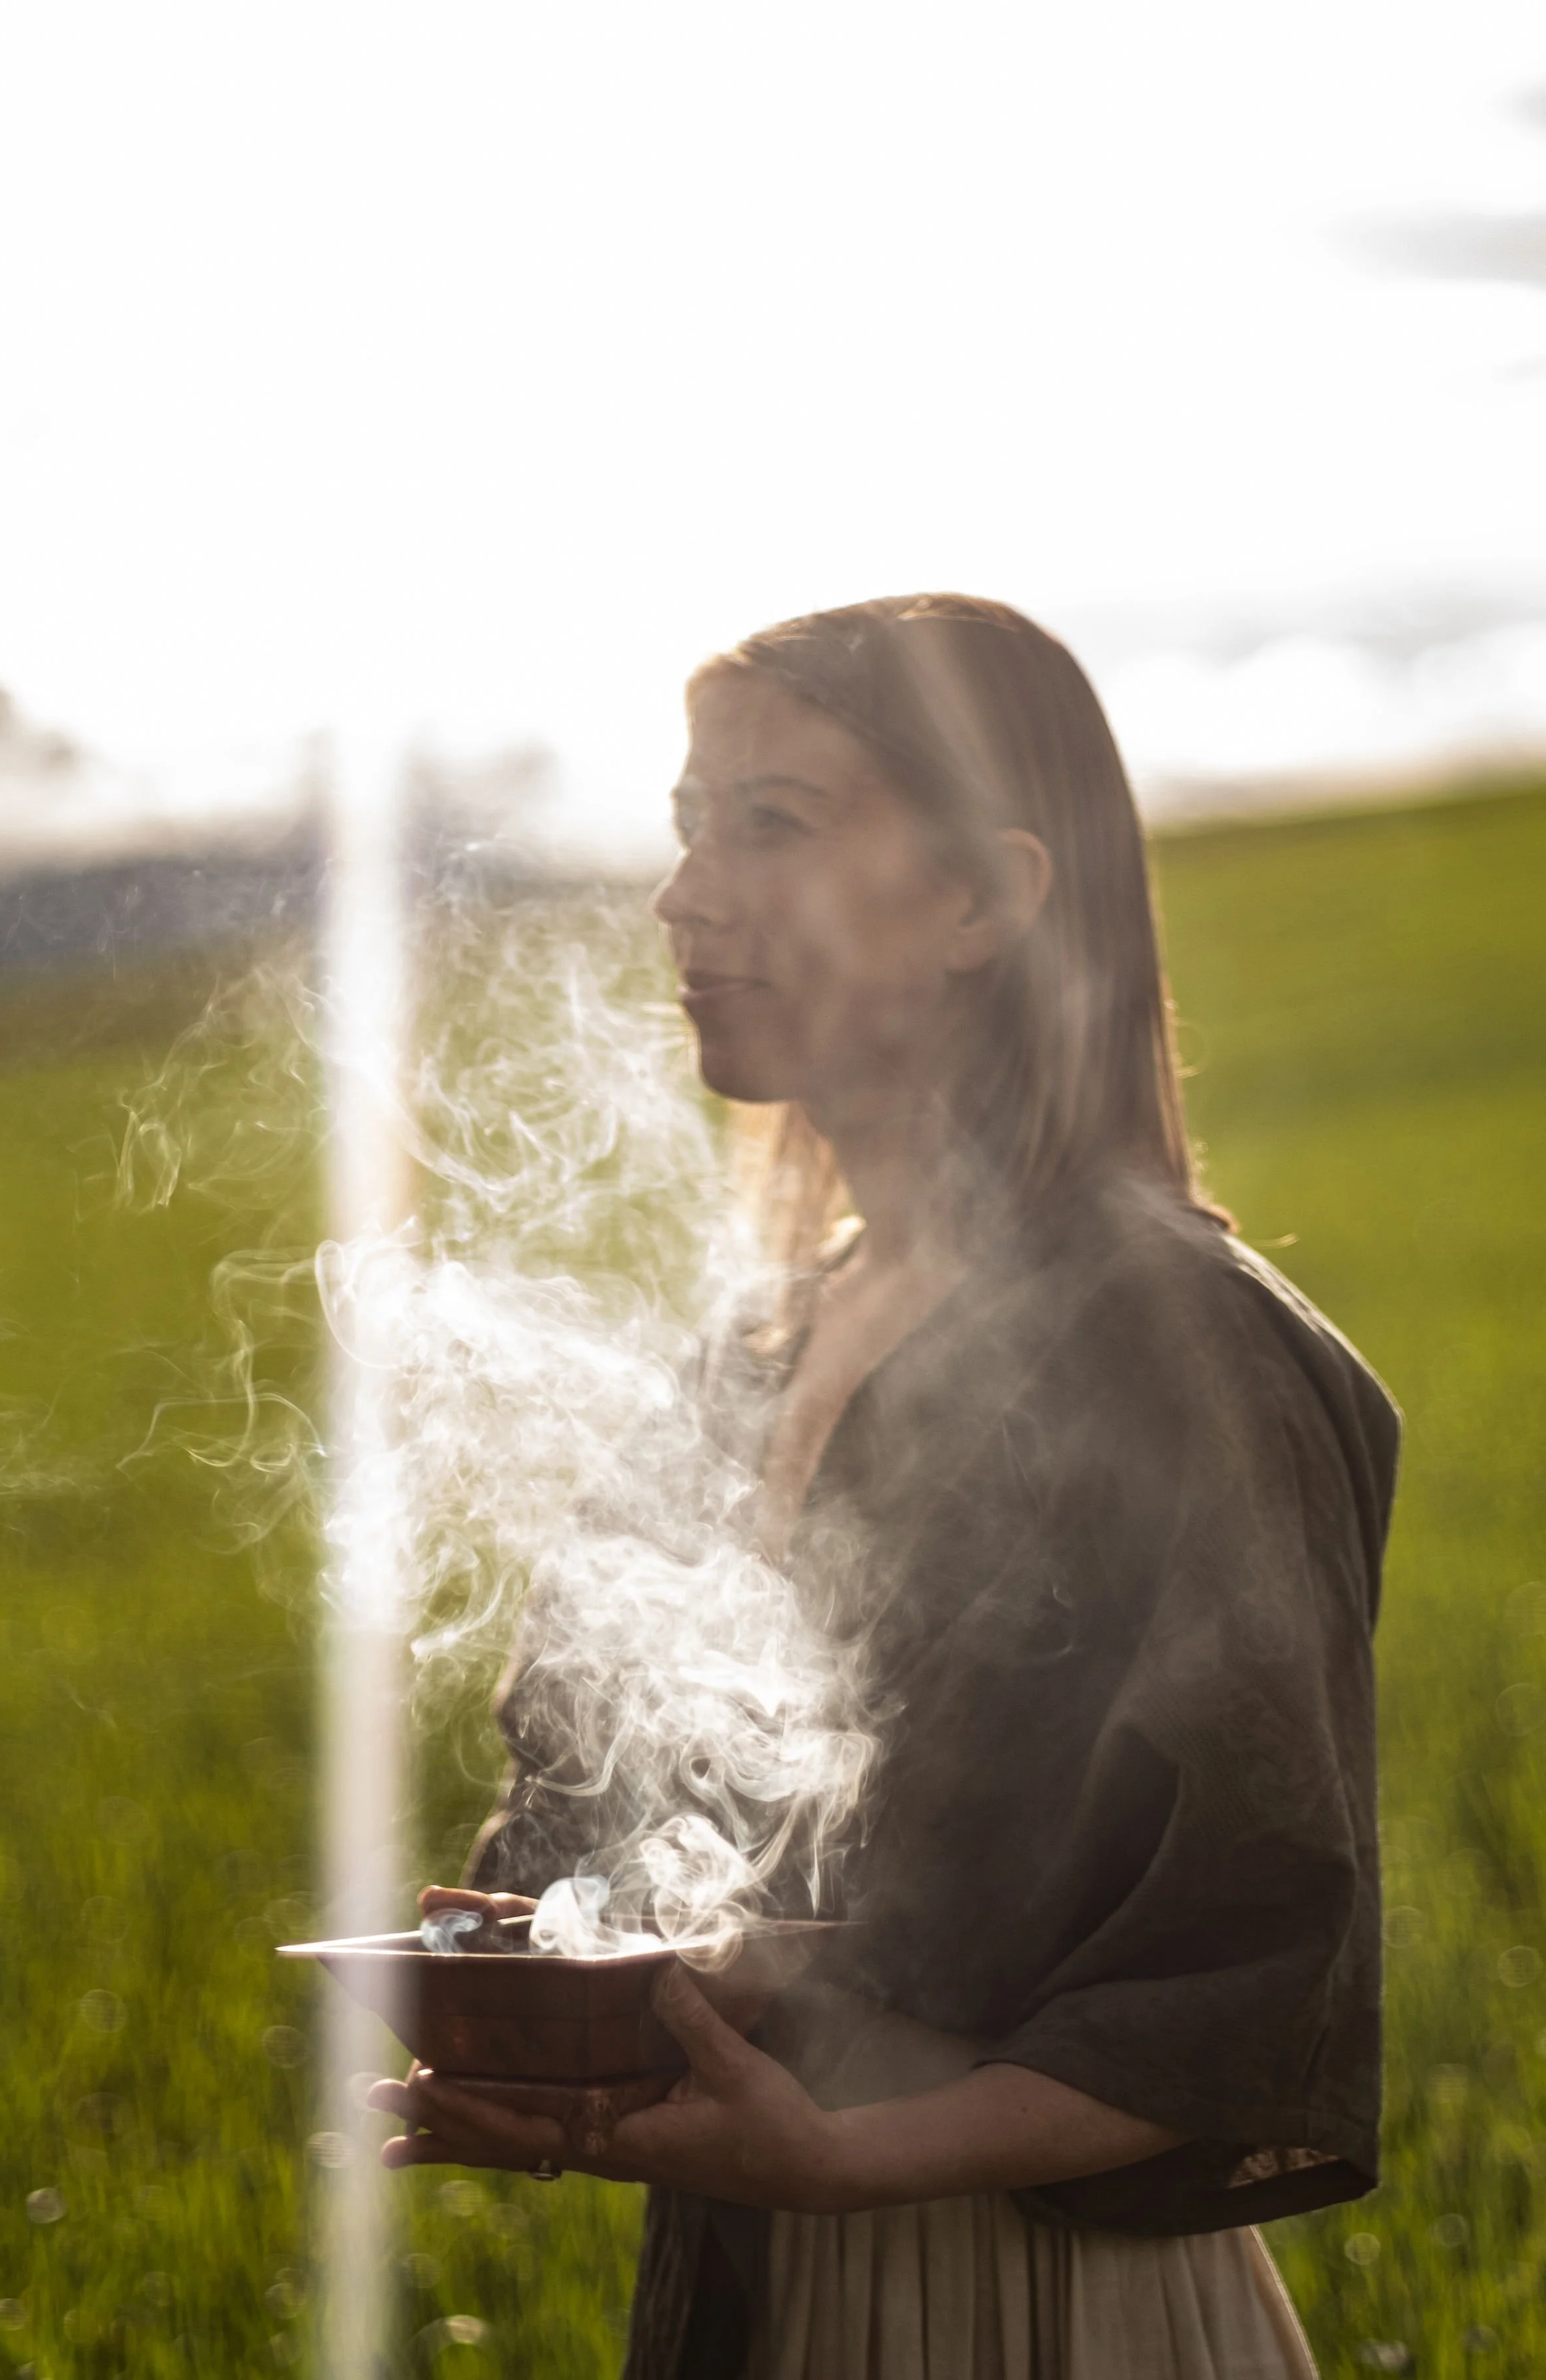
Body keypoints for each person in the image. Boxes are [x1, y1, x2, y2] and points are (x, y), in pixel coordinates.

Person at [371, 595, 1400, 2379]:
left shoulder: (1175, 1344)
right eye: (692, 828)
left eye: (772, 823)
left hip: (1038, 2308)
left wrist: (854, 2155)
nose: (688, 898)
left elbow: (1247, 1966)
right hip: (750, 2291)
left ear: (988, 901)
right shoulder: (759, 1343)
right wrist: (539, 1973)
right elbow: (683, 1845)